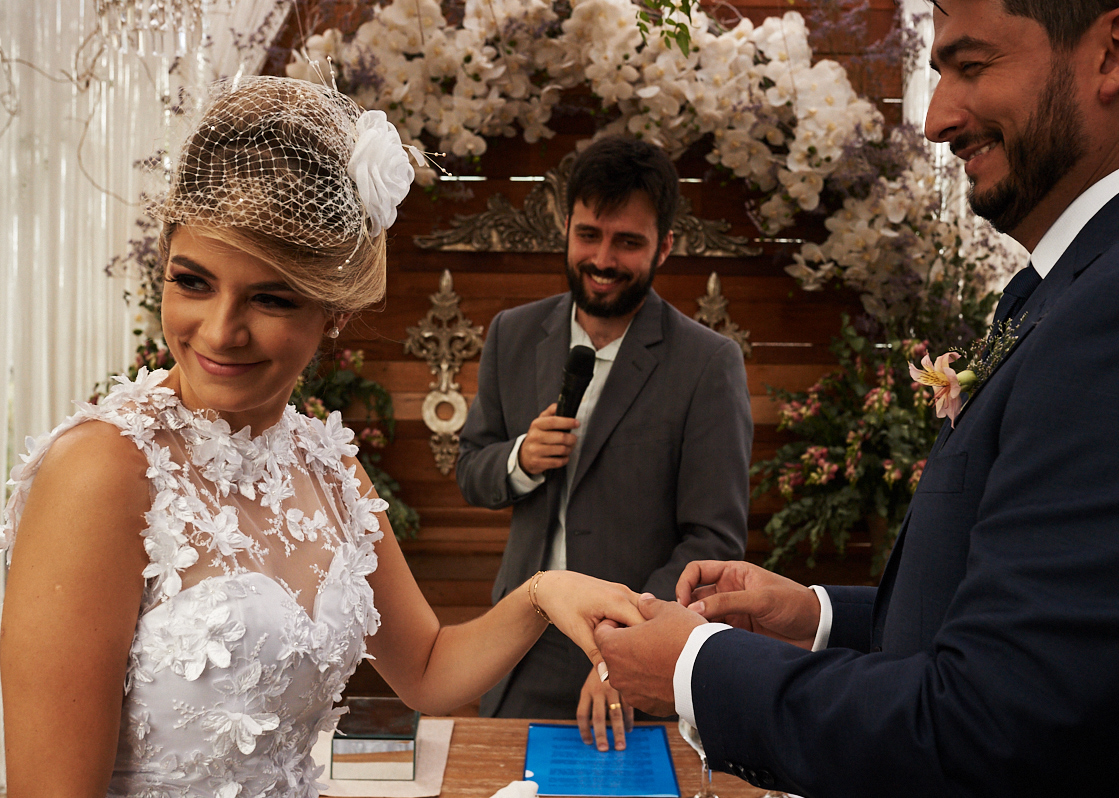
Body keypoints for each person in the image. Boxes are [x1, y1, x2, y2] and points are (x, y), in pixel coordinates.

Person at [594, 1, 1119, 795]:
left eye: (972, 65)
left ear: (1117, 51)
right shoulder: (1074, 283)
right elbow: (1062, 624)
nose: (937, 119)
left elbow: (990, 726)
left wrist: (694, 669)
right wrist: (817, 619)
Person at [0, 76, 644, 798]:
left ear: (334, 312)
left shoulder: (329, 467)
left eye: (271, 297)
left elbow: (429, 668)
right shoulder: (102, 471)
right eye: (192, 281)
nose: (218, 331)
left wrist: (539, 594)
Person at [456, 136, 753, 749]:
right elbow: (471, 471)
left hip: (639, 660)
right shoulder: (512, 334)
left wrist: (624, 645)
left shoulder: (708, 363)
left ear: (664, 246)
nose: (603, 257)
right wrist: (519, 459)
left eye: (628, 241)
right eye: (589, 234)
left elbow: (712, 536)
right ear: (566, 228)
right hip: (520, 647)